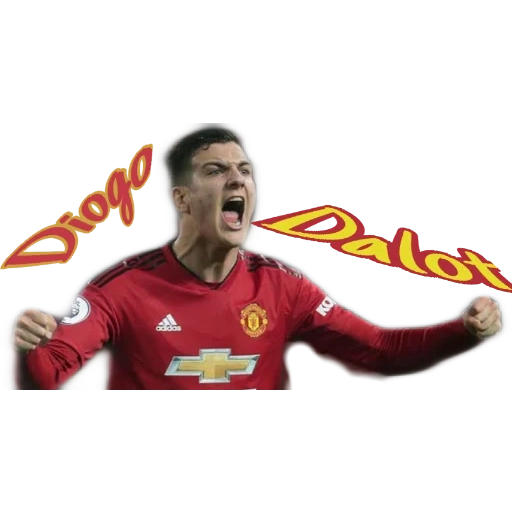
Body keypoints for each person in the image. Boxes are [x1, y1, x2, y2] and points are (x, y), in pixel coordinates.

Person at [8, 122, 505, 391]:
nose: (238, 180)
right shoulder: (119, 290)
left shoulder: (283, 286)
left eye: (244, 171)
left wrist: (462, 330)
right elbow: (48, 377)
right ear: (181, 199)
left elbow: (380, 351)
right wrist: (26, 346)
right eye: (216, 171)